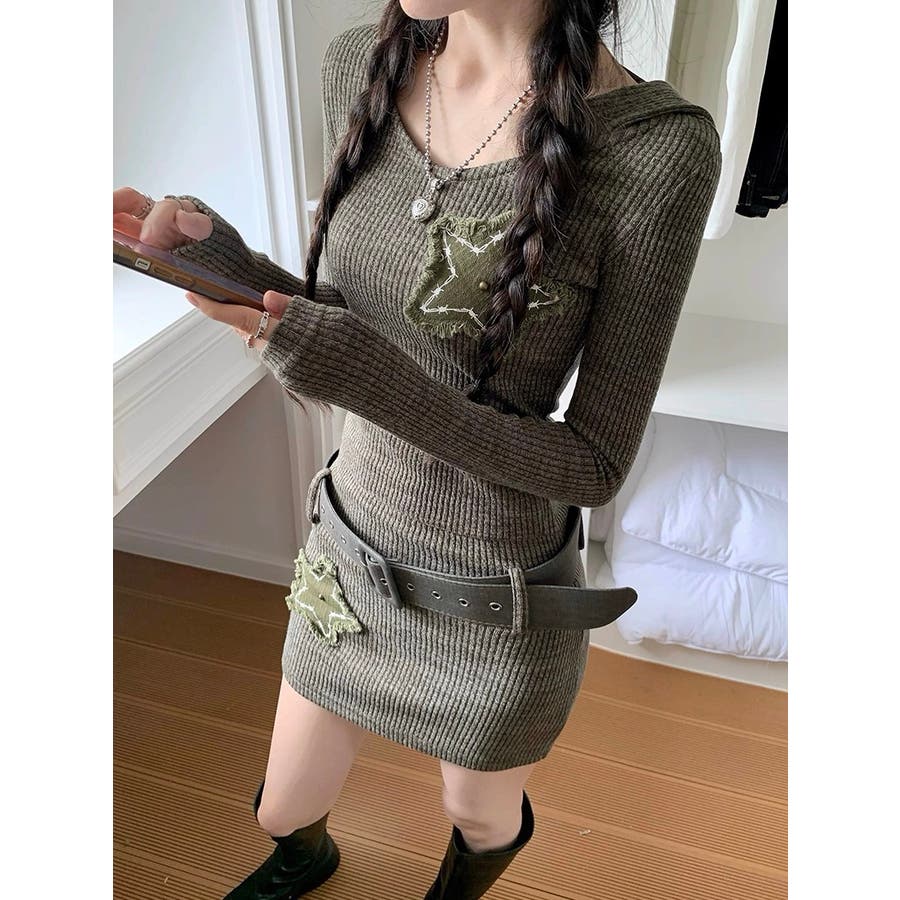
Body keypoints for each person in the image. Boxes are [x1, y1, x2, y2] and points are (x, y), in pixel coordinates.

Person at [113, 2, 721, 897]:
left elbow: (593, 462)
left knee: (479, 816)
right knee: (279, 809)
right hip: (348, 557)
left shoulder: (656, 151)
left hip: (496, 599)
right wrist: (229, 267)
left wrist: (366, 379)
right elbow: (357, 327)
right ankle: (306, 857)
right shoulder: (361, 65)